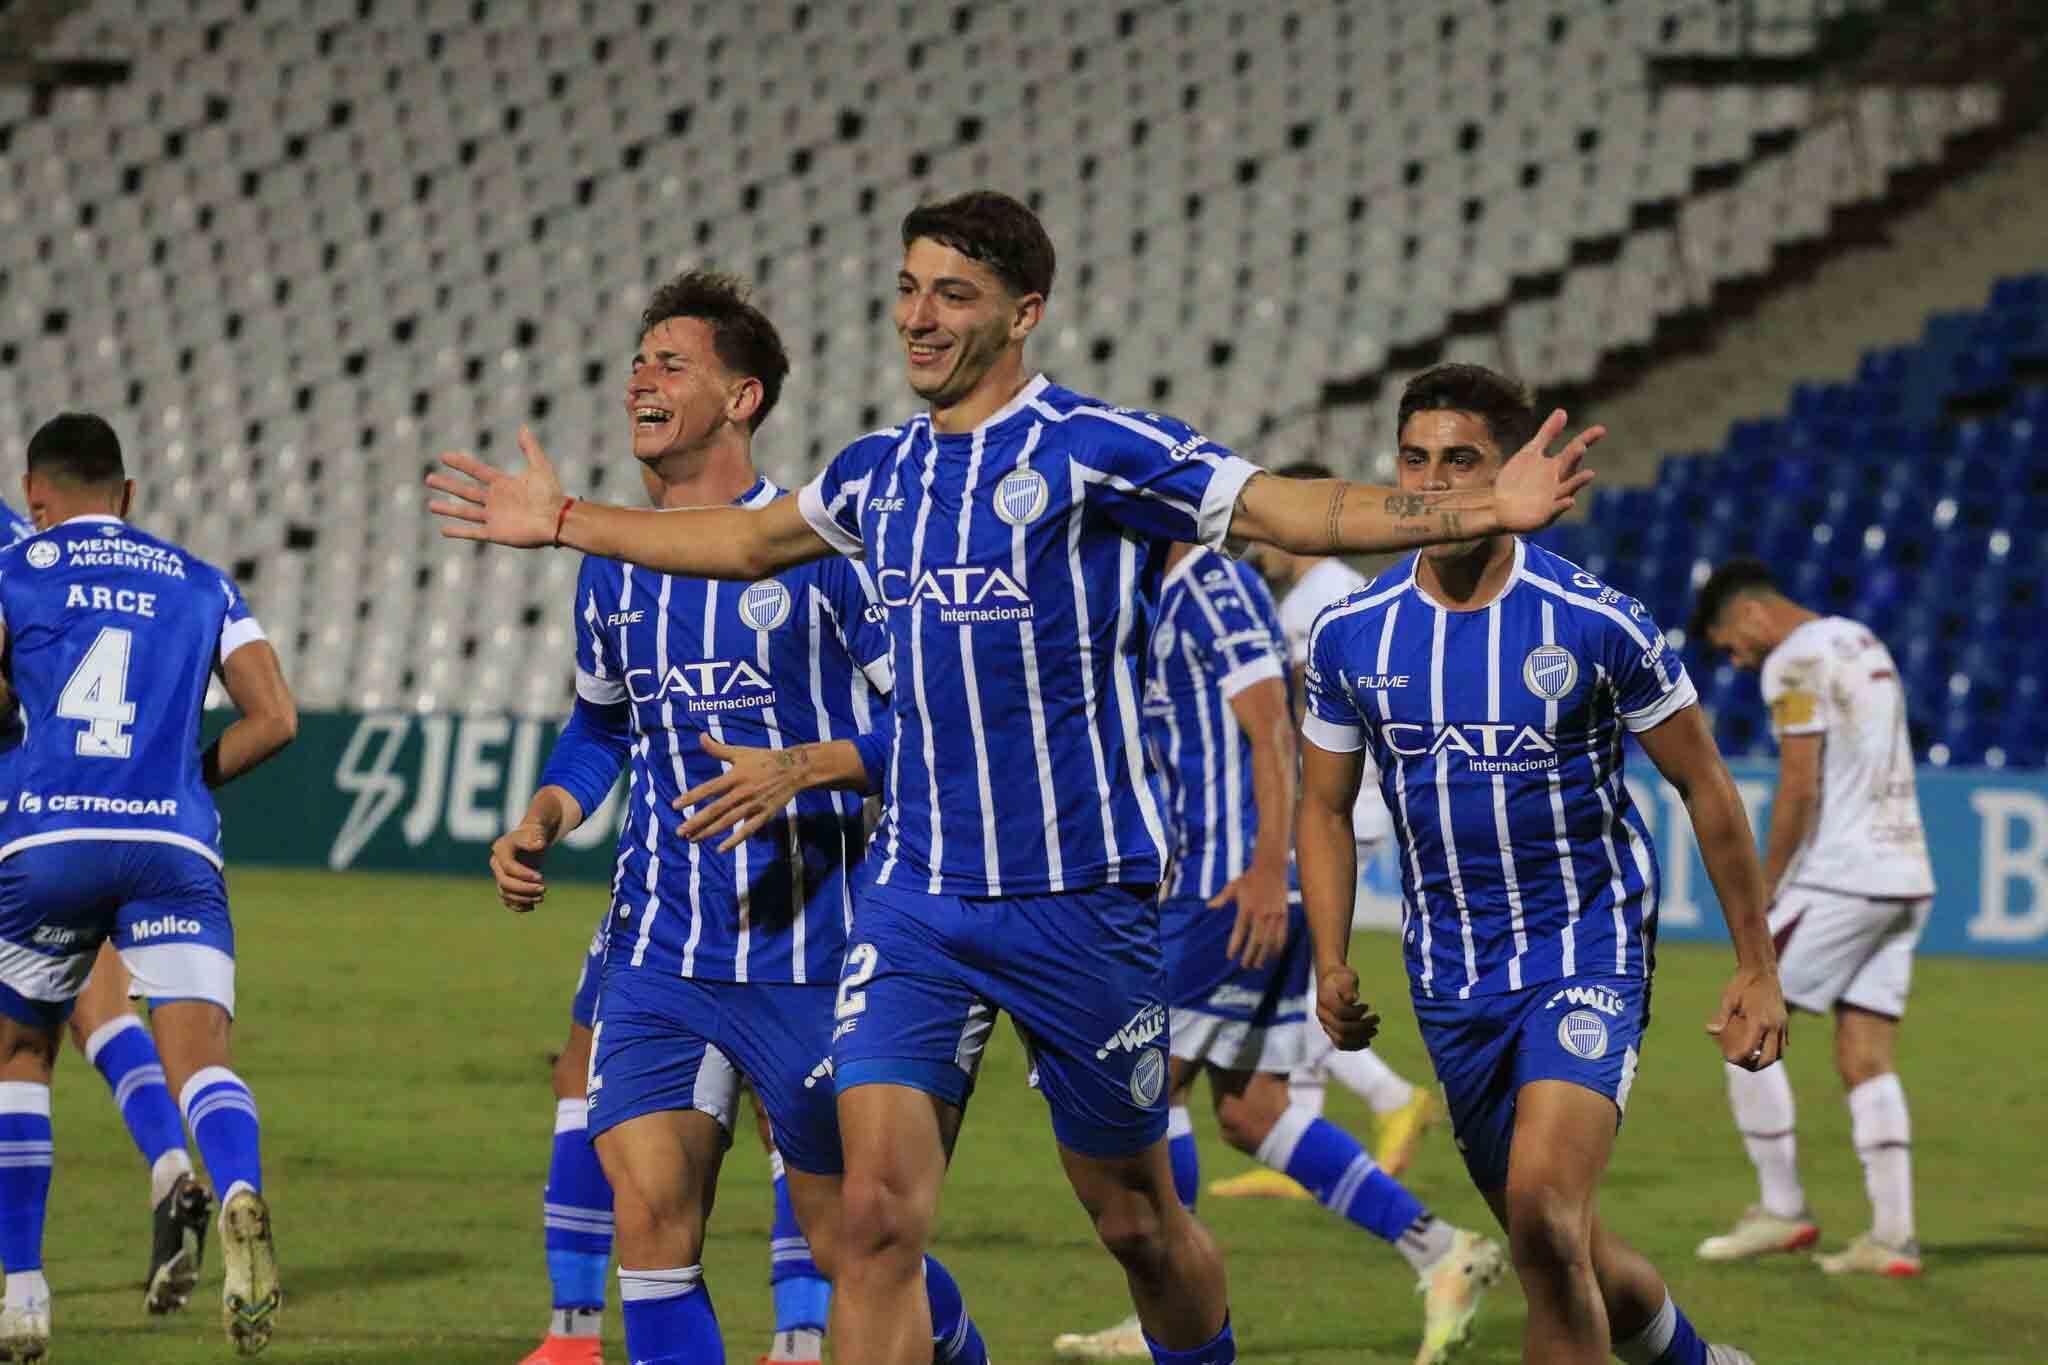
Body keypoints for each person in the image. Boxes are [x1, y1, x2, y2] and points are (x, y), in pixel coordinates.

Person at [428, 191, 1597, 1365]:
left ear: (1023, 313)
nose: (918, 317)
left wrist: (1478, 504)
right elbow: (738, 542)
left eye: (952, 293)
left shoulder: (1092, 450)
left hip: (1077, 903)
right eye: (905, 287)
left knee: (1136, 1221)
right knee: (875, 1224)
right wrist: (570, 519)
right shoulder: (875, 474)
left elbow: (1286, 505)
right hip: (912, 904)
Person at [484, 269, 986, 1365]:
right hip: (660, 951)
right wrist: (548, 812)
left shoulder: (824, 553)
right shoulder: (611, 565)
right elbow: (601, 723)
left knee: (855, 1237)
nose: (639, 380)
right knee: (653, 1219)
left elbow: (945, 738)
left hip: (815, 952)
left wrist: (800, 769)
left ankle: (955, 1345)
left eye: (671, 362)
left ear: (742, 397)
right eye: (636, 362)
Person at [1295, 363, 1783, 1365]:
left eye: (1462, 460)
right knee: (1553, 1242)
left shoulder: (1595, 620)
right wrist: (1328, 955)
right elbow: (1323, 806)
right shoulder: (1351, 635)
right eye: (1415, 460)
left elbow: (1703, 784)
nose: (1434, 484)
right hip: (1447, 977)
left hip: (1582, 951)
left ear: (1513, 472)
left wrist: (1755, 962)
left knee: (1542, 1216)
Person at [1053, 539, 1502, 1364]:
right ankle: (1440, 1251)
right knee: (1250, 1110)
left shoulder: (1212, 581)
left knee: (1151, 1089)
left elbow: (1270, 726)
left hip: (1232, 887)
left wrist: (1267, 868)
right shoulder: (1157, 591)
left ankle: (1164, 1312)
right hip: (1207, 880)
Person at [0, 412, 296, 1358]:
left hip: (48, 833)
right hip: (172, 840)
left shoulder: (17, 565)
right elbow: (277, 716)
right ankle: (237, 1186)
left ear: (36, 499)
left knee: (18, 1058)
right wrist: (181, 783)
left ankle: (21, 1291)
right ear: (127, 494)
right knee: (203, 1058)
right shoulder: (201, 578)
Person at [1689, 558, 1933, 1277]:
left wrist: (1764, 886)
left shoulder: (1792, 660)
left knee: (1744, 1021)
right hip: (1906, 873)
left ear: (1753, 615)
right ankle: (1893, 1236)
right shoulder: (1860, 639)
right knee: (1865, 1054)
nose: (1738, 657)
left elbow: (1799, 784)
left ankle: (1782, 1207)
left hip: (1843, 871)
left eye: (1732, 641)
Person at [1220, 460, 1439, 1200]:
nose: (1263, 536)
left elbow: (1310, 713)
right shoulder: (1333, 590)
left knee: (1289, 970)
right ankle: (1302, 1140)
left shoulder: (1322, 598)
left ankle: (1389, 1097)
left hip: (1341, 804)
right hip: (1354, 801)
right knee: (1302, 971)